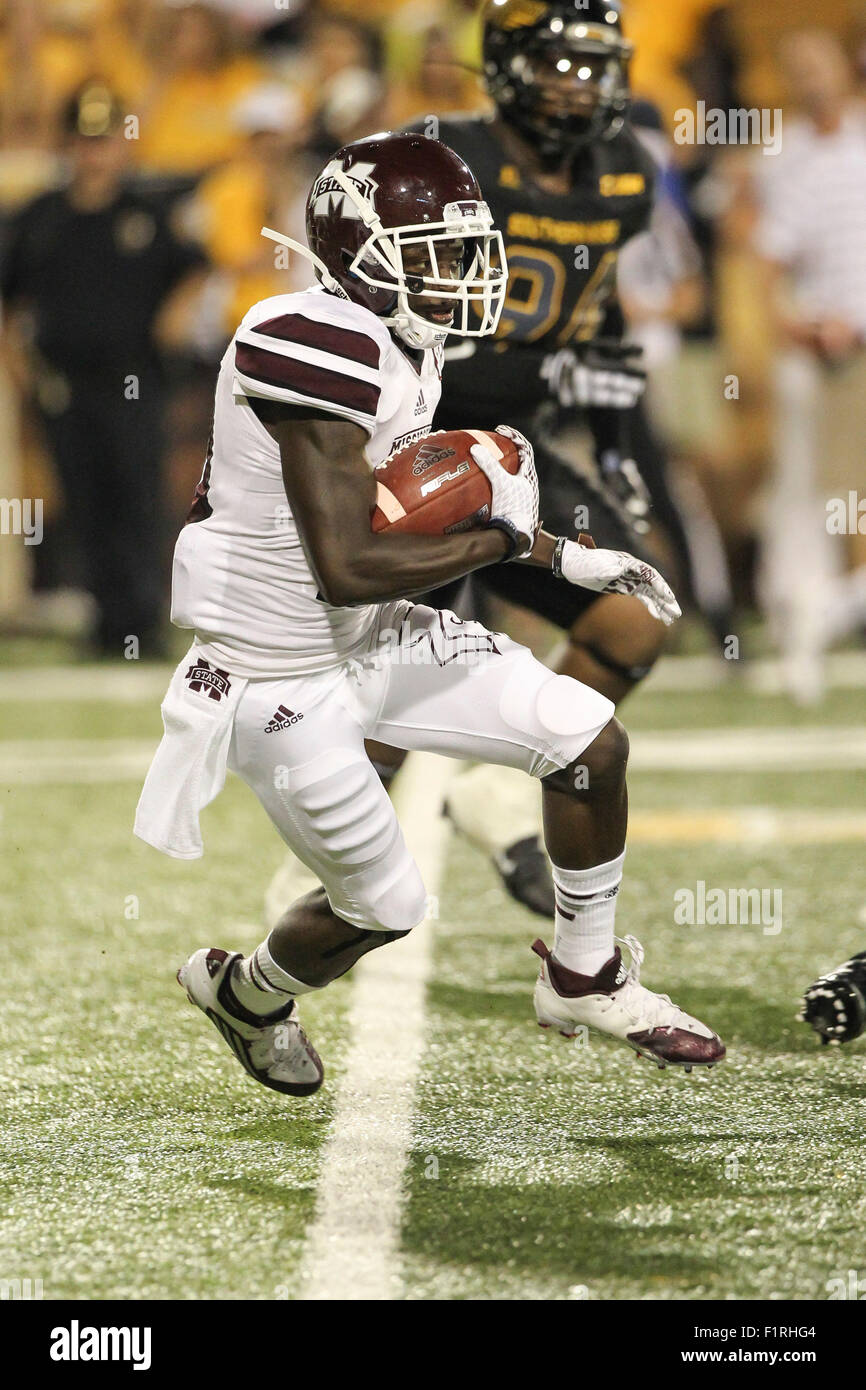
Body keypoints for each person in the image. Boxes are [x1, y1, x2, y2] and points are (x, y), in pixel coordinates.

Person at [134, 132, 724, 1096]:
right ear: (359, 251)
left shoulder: (403, 342)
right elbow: (349, 564)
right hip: (275, 673)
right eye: (435, 254)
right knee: (384, 905)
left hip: (371, 634)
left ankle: (584, 974)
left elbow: (394, 542)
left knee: (590, 742)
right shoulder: (307, 336)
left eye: (462, 252)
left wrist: (571, 558)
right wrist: (500, 541)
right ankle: (246, 993)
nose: (457, 274)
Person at [0, 81, 206, 657]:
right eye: (84, 141)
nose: (94, 153)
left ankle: (141, 621)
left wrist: (174, 315)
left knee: (137, 500)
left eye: (105, 140)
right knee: (84, 504)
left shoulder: (146, 212)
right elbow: (8, 296)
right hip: (65, 387)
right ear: (68, 145)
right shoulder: (40, 218)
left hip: (134, 383)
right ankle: (104, 625)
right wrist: (18, 366)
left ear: (121, 144)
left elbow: (195, 267)